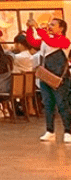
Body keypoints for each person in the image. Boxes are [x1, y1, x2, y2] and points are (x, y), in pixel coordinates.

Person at [27, 15, 70, 143]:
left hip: (59, 78)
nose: (49, 27)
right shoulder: (46, 39)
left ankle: (68, 131)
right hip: (46, 77)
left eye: (52, 25)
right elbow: (33, 42)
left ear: (61, 28)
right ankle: (50, 131)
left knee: (63, 104)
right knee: (48, 104)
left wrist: (37, 28)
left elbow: (52, 43)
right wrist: (30, 28)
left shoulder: (65, 41)